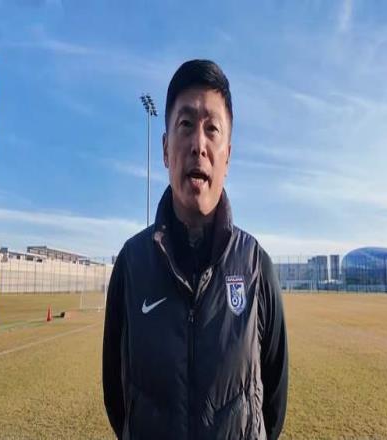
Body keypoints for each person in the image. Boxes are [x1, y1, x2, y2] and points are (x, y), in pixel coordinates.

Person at [103, 59, 288, 440]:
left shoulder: (255, 266)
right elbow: (117, 398)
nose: (198, 145)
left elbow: (273, 403)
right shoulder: (132, 265)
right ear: (165, 149)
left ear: (227, 156)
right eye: (185, 125)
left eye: (212, 129)